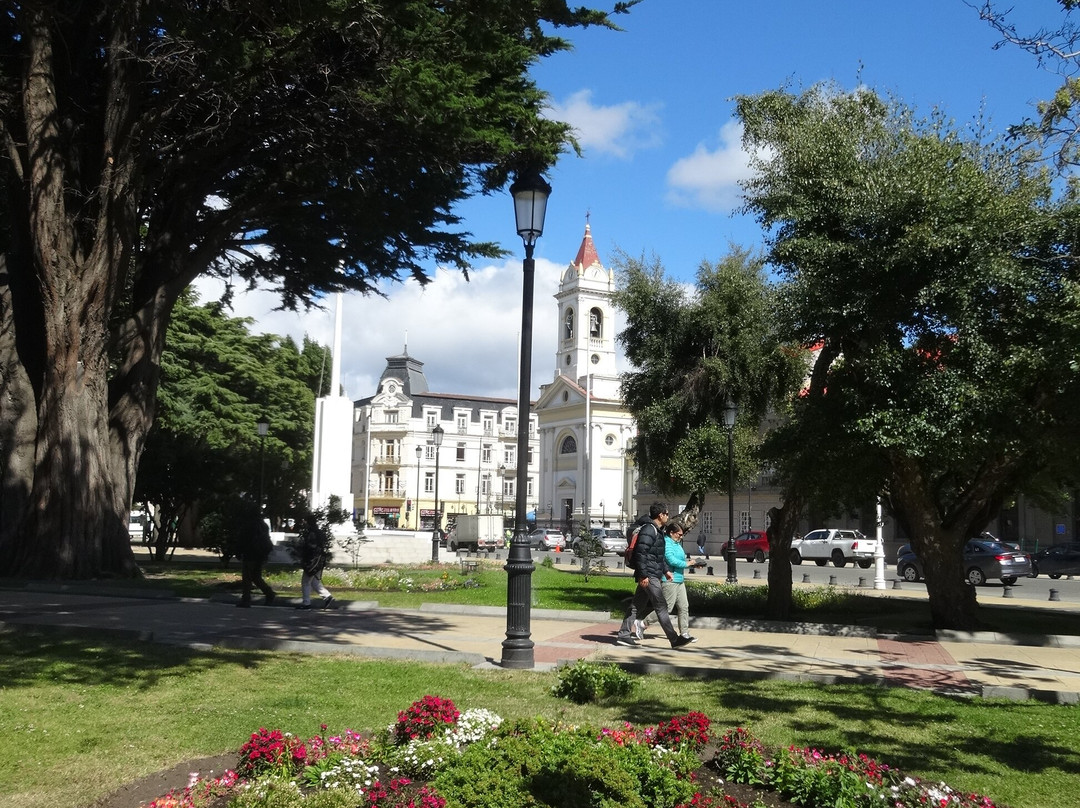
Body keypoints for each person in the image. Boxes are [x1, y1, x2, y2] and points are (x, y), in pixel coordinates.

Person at [615, 502, 693, 649]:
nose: (668, 517)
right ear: (661, 515)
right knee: (662, 607)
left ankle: (624, 634)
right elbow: (641, 553)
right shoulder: (649, 530)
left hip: (652, 573)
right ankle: (674, 640)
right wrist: (643, 575)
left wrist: (665, 570)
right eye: (667, 514)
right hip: (649, 575)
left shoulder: (657, 530)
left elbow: (657, 555)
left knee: (637, 605)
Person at [639, 523, 695, 642]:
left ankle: (684, 633)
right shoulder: (667, 542)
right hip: (670, 580)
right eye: (679, 534)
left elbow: (679, 559)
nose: (681, 537)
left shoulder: (677, 543)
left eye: (682, 534)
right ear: (671, 533)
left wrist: (691, 564)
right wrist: (687, 564)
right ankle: (643, 623)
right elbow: (670, 559)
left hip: (679, 579)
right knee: (666, 608)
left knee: (684, 606)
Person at [236, 506, 276, 608]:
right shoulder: (263, 525)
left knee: (247, 577)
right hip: (261, 554)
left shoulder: (248, 525)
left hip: (250, 554)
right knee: (256, 577)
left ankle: (246, 599)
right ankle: (269, 593)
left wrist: (238, 552)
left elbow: (242, 540)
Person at [296, 514, 334, 610]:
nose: (303, 523)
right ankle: (327, 597)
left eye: (305, 521)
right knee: (315, 582)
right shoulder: (319, 532)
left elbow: (310, 547)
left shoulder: (311, 533)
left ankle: (306, 603)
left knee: (305, 581)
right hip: (319, 560)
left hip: (312, 561)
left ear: (308, 522)